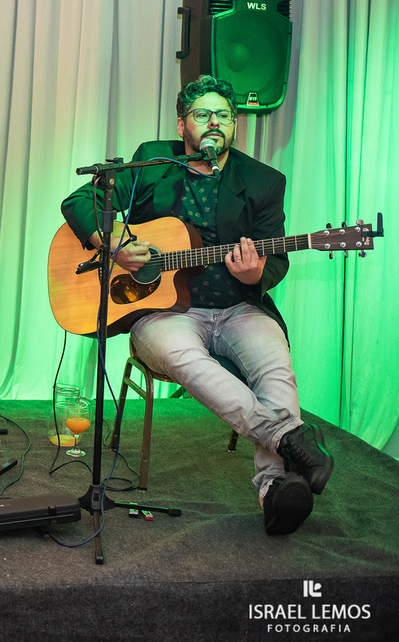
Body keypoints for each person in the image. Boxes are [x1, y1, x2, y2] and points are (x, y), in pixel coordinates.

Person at [60, 74, 333, 535]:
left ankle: (274, 489)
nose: (214, 123)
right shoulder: (152, 161)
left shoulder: (264, 181)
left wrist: (255, 274)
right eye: (203, 114)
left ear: (234, 124)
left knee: (275, 369)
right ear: (182, 124)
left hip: (238, 309)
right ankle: (288, 437)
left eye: (223, 115)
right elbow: (80, 200)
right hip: (164, 312)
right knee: (183, 357)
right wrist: (112, 243)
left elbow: (276, 257)